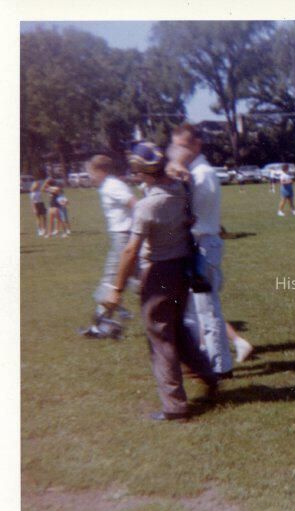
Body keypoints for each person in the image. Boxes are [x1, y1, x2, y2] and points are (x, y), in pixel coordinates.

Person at [101, 141, 219, 421]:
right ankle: (208, 375)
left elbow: (130, 251)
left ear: (142, 171)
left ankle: (175, 406)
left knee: (160, 338)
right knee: (177, 329)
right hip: (182, 269)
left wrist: (115, 289)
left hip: (158, 274)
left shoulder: (147, 206)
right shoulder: (181, 190)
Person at [169, 123, 234, 379]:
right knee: (192, 311)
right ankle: (203, 360)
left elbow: (189, 214)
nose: (178, 152)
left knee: (207, 309)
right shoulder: (191, 172)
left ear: (197, 145)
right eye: (175, 147)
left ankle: (220, 366)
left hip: (203, 245)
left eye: (183, 146)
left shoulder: (202, 174)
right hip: (194, 246)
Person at [85, 154, 139, 333]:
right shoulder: (109, 186)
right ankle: (116, 315)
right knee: (136, 280)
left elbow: (135, 205)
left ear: (100, 171)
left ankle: (100, 325)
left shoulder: (112, 186)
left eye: (91, 173)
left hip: (123, 237)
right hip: (121, 236)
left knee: (111, 279)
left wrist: (136, 229)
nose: (90, 177)